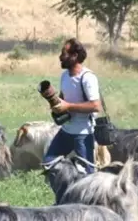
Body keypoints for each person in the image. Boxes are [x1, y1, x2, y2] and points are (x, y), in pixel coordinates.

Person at [42, 38, 102, 174]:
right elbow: (63, 99)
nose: (60, 57)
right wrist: (53, 101)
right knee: (49, 164)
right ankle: (64, 194)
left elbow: (96, 106)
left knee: (88, 175)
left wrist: (68, 106)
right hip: (66, 131)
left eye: (64, 53)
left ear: (74, 56)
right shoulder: (64, 76)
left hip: (83, 134)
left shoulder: (87, 77)